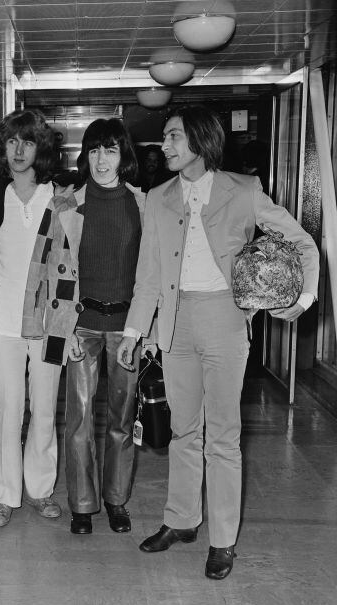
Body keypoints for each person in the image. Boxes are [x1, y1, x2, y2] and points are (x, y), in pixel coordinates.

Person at [117, 105, 319, 579]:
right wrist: (135, 332)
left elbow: (303, 243)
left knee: (223, 437)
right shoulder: (159, 196)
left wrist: (302, 298)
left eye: (171, 137)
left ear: (199, 141)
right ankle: (181, 520)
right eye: (164, 139)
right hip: (175, 323)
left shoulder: (244, 191)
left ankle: (223, 540)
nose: (163, 146)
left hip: (226, 321)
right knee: (184, 430)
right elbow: (148, 276)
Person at [22, 118, 147, 535]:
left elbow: (154, 272)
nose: (101, 160)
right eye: (94, 150)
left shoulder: (142, 205)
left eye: (110, 150)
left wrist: (146, 329)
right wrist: (57, 328)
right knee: (77, 419)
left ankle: (115, 500)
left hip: (127, 328)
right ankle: (81, 504)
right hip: (81, 326)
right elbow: (40, 266)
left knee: (121, 418)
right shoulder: (65, 205)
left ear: (122, 156)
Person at [0, 109, 62, 528]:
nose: (18, 150)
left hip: (49, 320)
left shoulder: (60, 196)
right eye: (12, 141)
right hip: (3, 321)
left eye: (27, 142)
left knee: (45, 407)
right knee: (8, 407)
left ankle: (41, 489)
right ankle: (4, 495)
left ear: (40, 148)